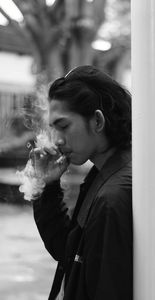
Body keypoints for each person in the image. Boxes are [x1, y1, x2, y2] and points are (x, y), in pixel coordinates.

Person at [27, 65, 132, 299]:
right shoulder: (104, 172)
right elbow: (68, 252)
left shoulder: (113, 196)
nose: (57, 140)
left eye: (63, 126)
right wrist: (48, 185)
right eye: (53, 129)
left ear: (97, 120)